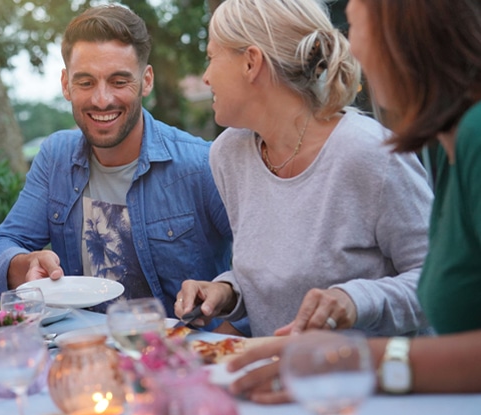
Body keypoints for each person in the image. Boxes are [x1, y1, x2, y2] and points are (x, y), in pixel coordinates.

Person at [229, 0, 481, 400]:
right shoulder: (444, 145)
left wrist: (351, 359)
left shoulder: (472, 136)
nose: (352, 50)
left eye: (356, 28)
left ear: (401, 35)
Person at [174, 0, 432, 338]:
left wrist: (354, 300)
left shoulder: (371, 154)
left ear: (251, 62)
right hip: (276, 381)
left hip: (371, 381)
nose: (205, 77)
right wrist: (227, 292)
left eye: (211, 57)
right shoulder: (228, 154)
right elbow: (276, 269)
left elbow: (439, 285)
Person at [0, 4, 236, 324]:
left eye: (118, 81)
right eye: (86, 83)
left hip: (178, 360)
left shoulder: (200, 163)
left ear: (146, 81)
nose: (101, 100)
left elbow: (262, 271)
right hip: (86, 358)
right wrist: (26, 264)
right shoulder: (55, 157)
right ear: (65, 84)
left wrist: (225, 296)